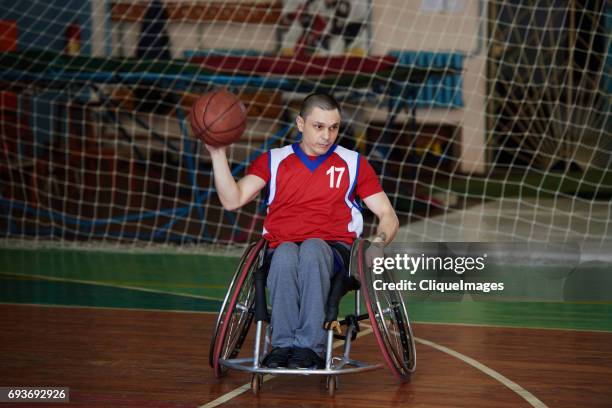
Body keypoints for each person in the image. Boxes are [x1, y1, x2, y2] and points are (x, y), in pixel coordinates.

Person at [204, 93, 399, 369]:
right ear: (300, 123)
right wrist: (217, 153)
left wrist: (379, 241)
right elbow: (232, 199)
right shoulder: (274, 160)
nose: (326, 136)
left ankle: (310, 347)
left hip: (334, 252)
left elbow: (387, 214)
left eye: (333, 127)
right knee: (284, 253)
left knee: (312, 248)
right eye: (318, 126)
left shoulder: (353, 163)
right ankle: (282, 345)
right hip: (281, 247)